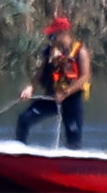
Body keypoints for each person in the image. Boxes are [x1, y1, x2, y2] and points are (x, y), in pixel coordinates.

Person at [16, 15, 92, 148]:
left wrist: (65, 93)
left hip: (71, 99)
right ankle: (18, 150)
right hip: (52, 97)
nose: (50, 40)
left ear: (63, 33)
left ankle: (71, 163)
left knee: (73, 140)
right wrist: (30, 88)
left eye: (52, 36)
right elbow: (39, 74)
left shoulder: (81, 52)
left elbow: (85, 77)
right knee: (24, 119)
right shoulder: (50, 52)